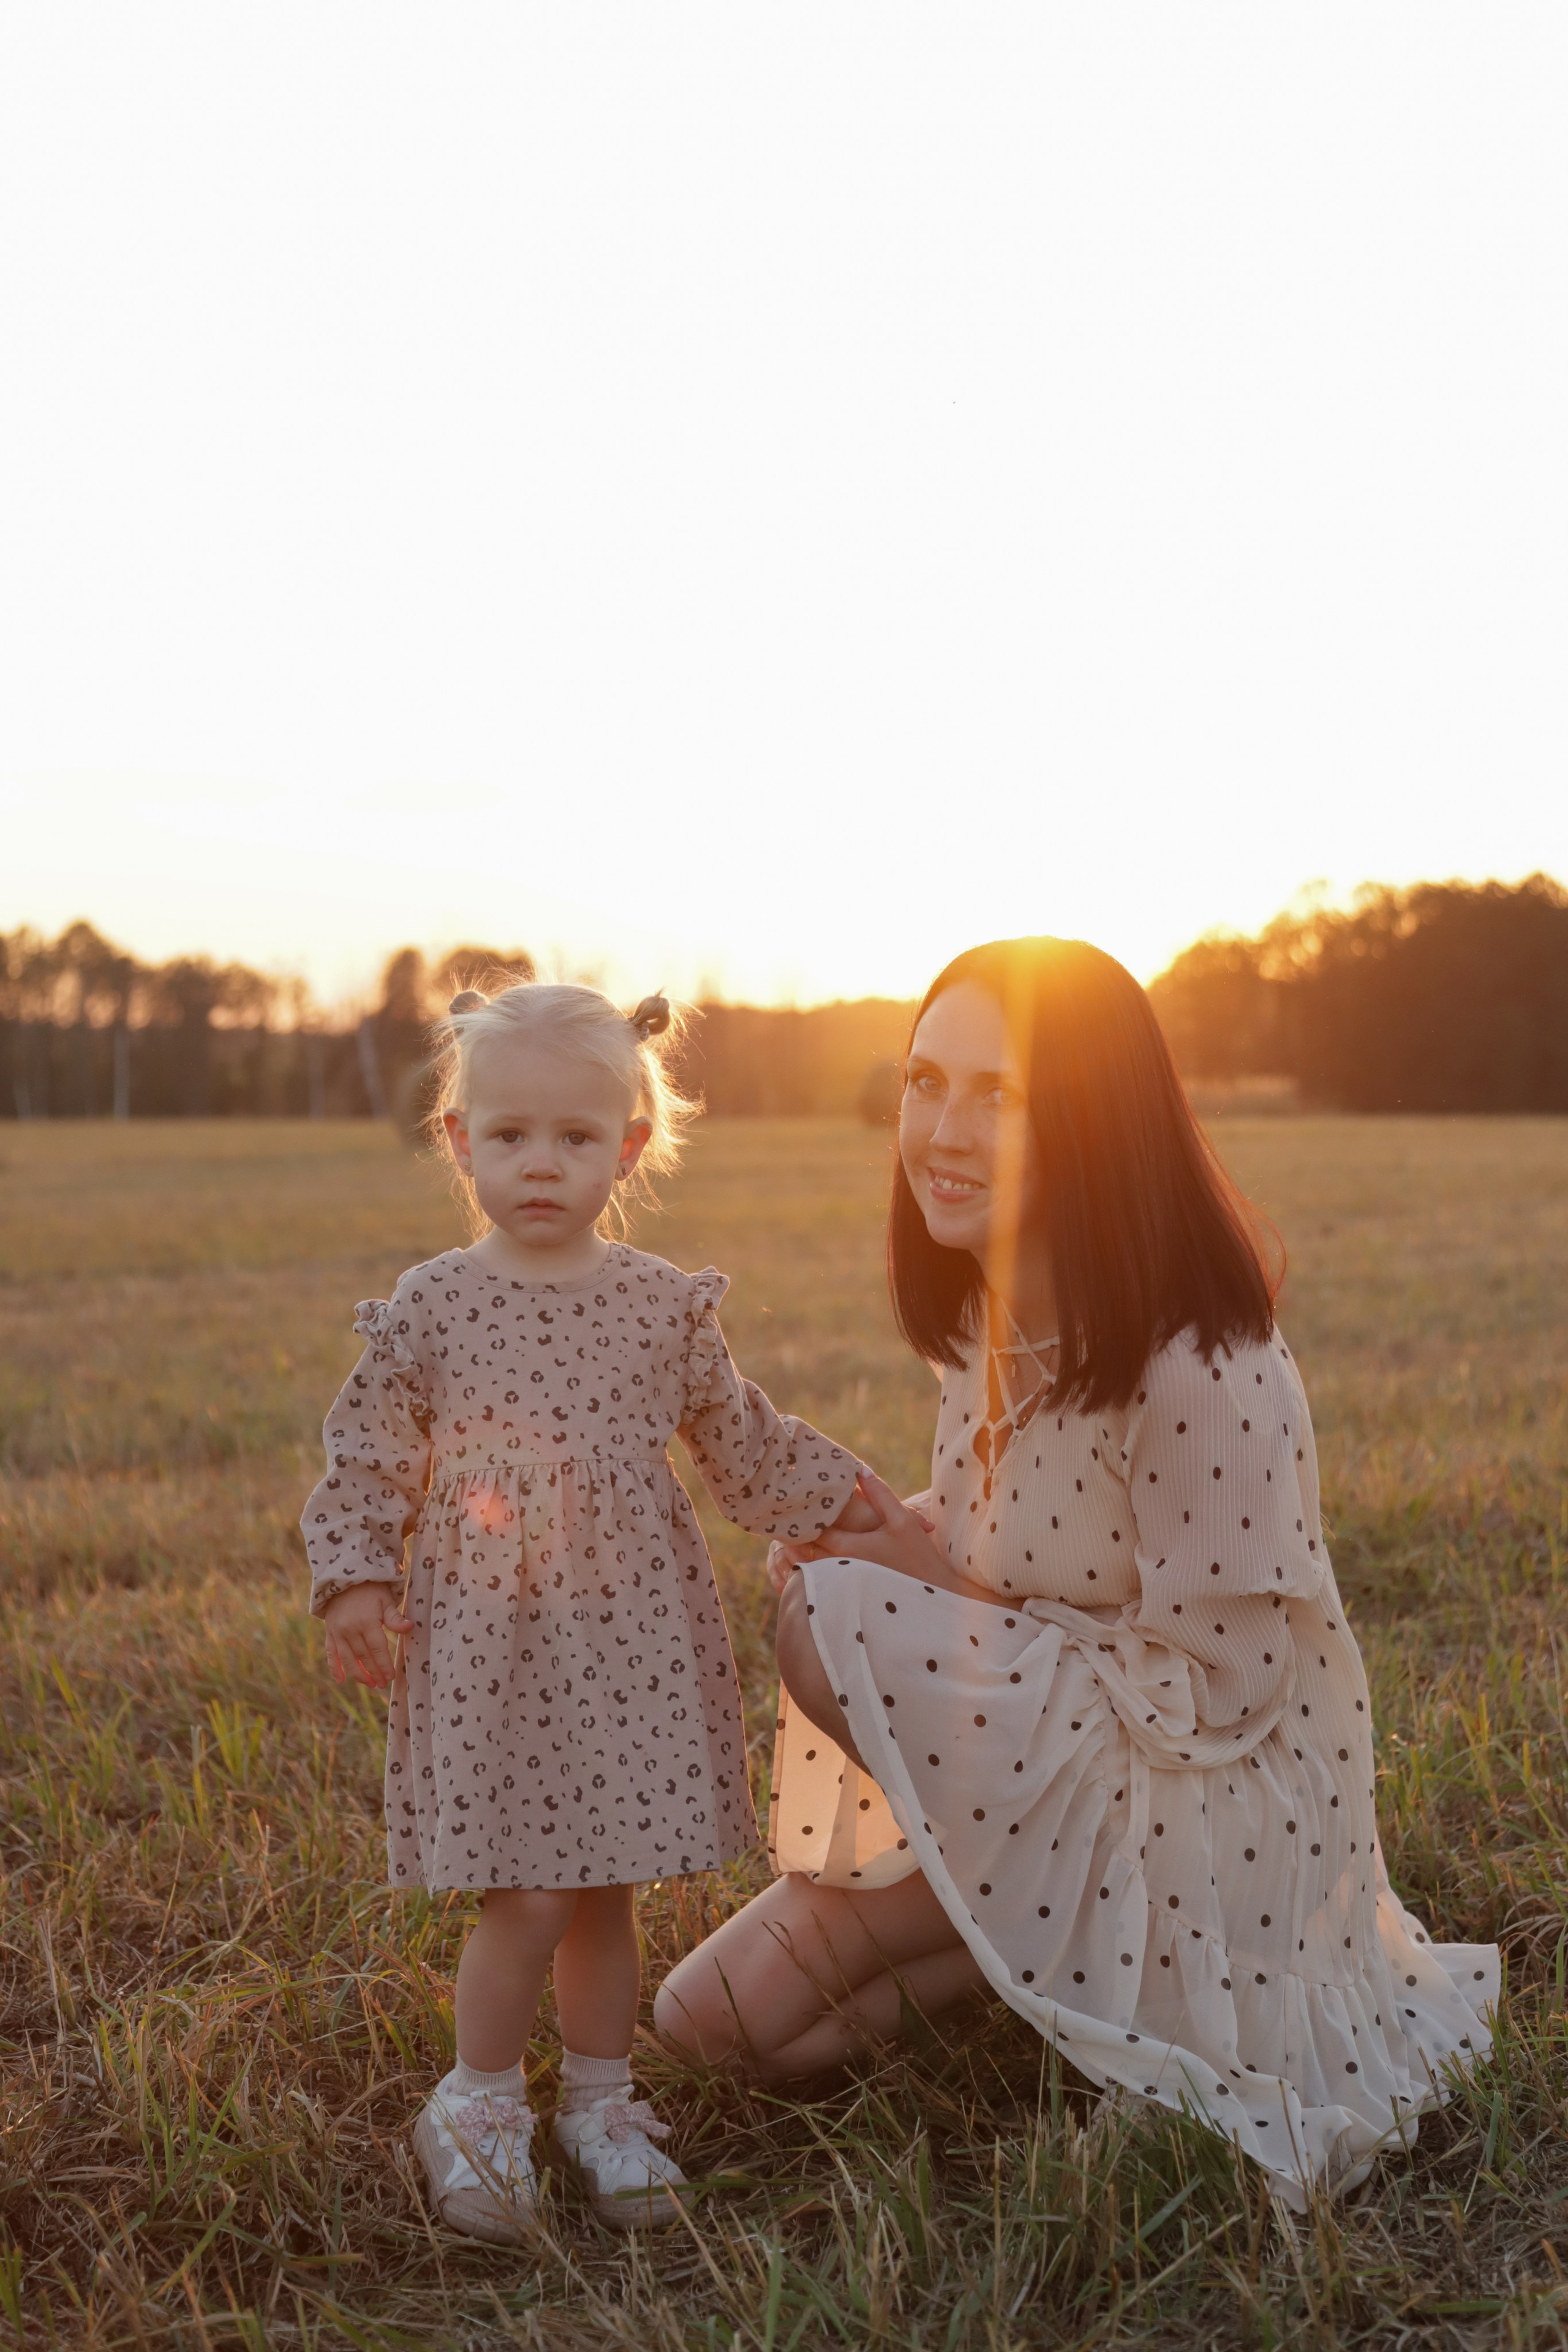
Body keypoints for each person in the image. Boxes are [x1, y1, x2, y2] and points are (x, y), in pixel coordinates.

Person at [655, 937, 1499, 2209]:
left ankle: (1100, 1976)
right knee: (707, 2021)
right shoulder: (986, 1330)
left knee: (827, 1623)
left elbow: (1225, 1697)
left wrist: (892, 1589)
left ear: (1094, 1121)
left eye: (999, 1096)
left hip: (1204, 1822)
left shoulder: (1202, 1362)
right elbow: (1021, 1549)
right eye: (922, 1081)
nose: (941, 1128)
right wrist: (893, 1531)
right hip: (1047, 1789)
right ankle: (1038, 1972)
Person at [302, 979, 864, 2241]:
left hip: (626, 1644)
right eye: (508, 1137)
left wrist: (851, 1505)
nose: (540, 1164)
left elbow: (739, 1444)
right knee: (528, 1893)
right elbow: (369, 1456)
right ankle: (478, 2102)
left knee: (606, 1885)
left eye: (573, 1137)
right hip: (493, 1646)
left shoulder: (660, 1304)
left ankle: (599, 2105)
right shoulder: (437, 1305)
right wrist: (354, 1578)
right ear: (459, 1142)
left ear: (630, 1146)